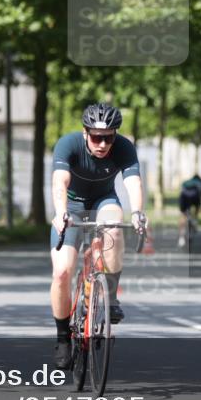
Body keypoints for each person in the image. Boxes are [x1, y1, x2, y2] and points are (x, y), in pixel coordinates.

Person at [49, 103, 147, 369]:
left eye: (109, 138)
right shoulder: (68, 144)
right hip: (72, 206)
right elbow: (60, 182)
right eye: (96, 137)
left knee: (114, 226)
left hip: (104, 200)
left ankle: (111, 297)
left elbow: (133, 182)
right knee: (62, 273)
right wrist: (60, 214)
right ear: (85, 133)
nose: (103, 144)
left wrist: (137, 212)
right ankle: (62, 338)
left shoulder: (124, 147)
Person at [178, 173, 201, 248]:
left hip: (184, 197)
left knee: (183, 215)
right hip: (195, 196)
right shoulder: (200, 182)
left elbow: (181, 191)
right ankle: (195, 221)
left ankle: (181, 238)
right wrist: (199, 207)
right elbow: (200, 195)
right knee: (196, 210)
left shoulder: (186, 182)